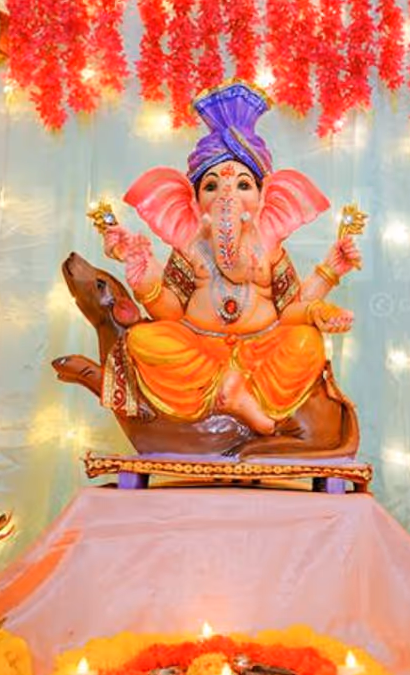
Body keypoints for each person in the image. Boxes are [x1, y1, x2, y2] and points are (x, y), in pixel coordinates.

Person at [102, 82, 361, 435]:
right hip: (201, 348)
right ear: (190, 202)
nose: (228, 195)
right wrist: (144, 277)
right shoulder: (191, 247)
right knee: (143, 339)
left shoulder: (269, 248)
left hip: (262, 350)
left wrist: (326, 282)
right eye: (211, 186)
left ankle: (241, 392)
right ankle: (228, 390)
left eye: (243, 185)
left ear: (269, 198)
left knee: (306, 342)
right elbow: (171, 313)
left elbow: (290, 310)